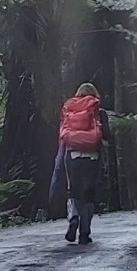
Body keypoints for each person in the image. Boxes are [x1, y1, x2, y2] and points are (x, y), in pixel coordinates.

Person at [53, 83, 111, 245]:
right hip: (92, 157)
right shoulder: (99, 111)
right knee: (88, 194)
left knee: (74, 191)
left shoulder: (69, 109)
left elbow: (63, 135)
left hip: (72, 156)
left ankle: (73, 218)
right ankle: (84, 233)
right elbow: (107, 135)